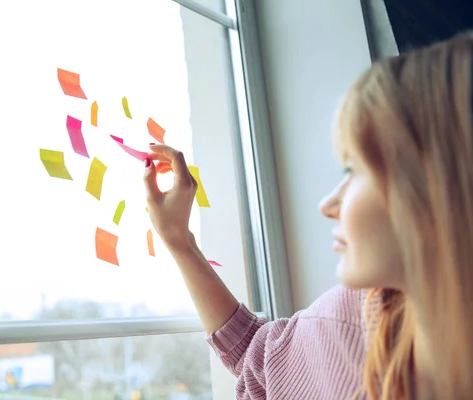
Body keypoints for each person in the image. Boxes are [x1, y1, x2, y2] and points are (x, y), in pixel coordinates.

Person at [142, 32, 473, 400]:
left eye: (354, 170)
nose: (328, 204)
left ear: (441, 187)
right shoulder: (359, 316)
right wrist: (180, 241)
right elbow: (260, 358)